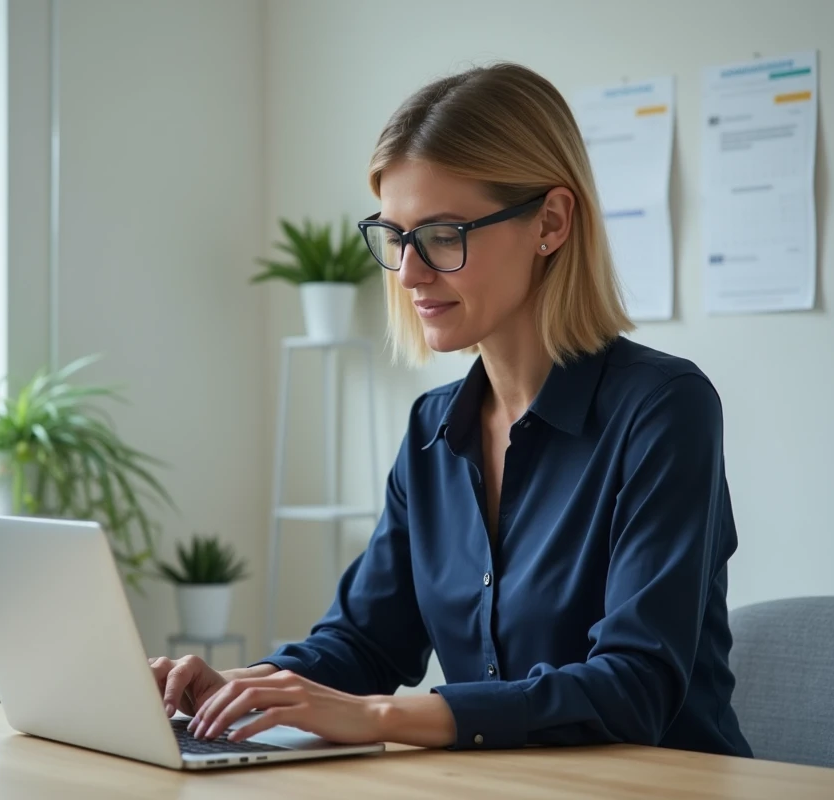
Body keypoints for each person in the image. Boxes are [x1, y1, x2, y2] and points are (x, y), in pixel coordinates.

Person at [149, 62, 752, 757]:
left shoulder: (664, 410)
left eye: (442, 234)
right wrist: (233, 687)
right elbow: (365, 641)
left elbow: (633, 686)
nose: (407, 273)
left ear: (550, 223)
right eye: (395, 236)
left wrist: (380, 719)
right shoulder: (433, 429)